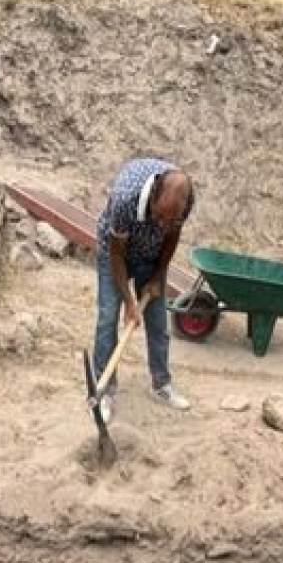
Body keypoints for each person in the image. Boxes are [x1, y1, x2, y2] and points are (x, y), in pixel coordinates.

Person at [93, 156, 195, 421]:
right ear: (152, 197)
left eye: (171, 219)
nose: (163, 223)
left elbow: (172, 237)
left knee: (158, 323)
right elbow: (115, 255)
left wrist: (157, 276)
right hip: (115, 252)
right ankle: (104, 391)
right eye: (160, 216)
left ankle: (161, 385)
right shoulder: (125, 198)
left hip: (152, 256)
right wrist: (129, 302)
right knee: (107, 317)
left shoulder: (184, 201)